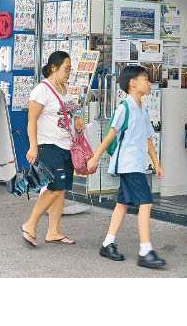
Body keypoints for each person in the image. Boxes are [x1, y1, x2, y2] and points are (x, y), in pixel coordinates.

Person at [87, 65, 166, 269]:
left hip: (137, 164)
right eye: (145, 79)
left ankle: (107, 243)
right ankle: (145, 250)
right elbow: (111, 134)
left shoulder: (143, 108)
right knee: (146, 202)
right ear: (133, 83)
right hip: (128, 164)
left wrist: (156, 163)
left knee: (122, 204)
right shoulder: (125, 107)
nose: (149, 83)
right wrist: (95, 157)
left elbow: (148, 138)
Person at [21, 51, 85, 247]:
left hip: (66, 144)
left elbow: (71, 112)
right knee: (55, 185)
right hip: (48, 145)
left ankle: (53, 231)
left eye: (70, 69)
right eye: (66, 69)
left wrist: (77, 120)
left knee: (61, 189)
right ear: (54, 68)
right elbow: (31, 120)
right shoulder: (42, 90)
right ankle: (29, 225)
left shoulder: (65, 88)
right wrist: (33, 146)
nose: (69, 73)